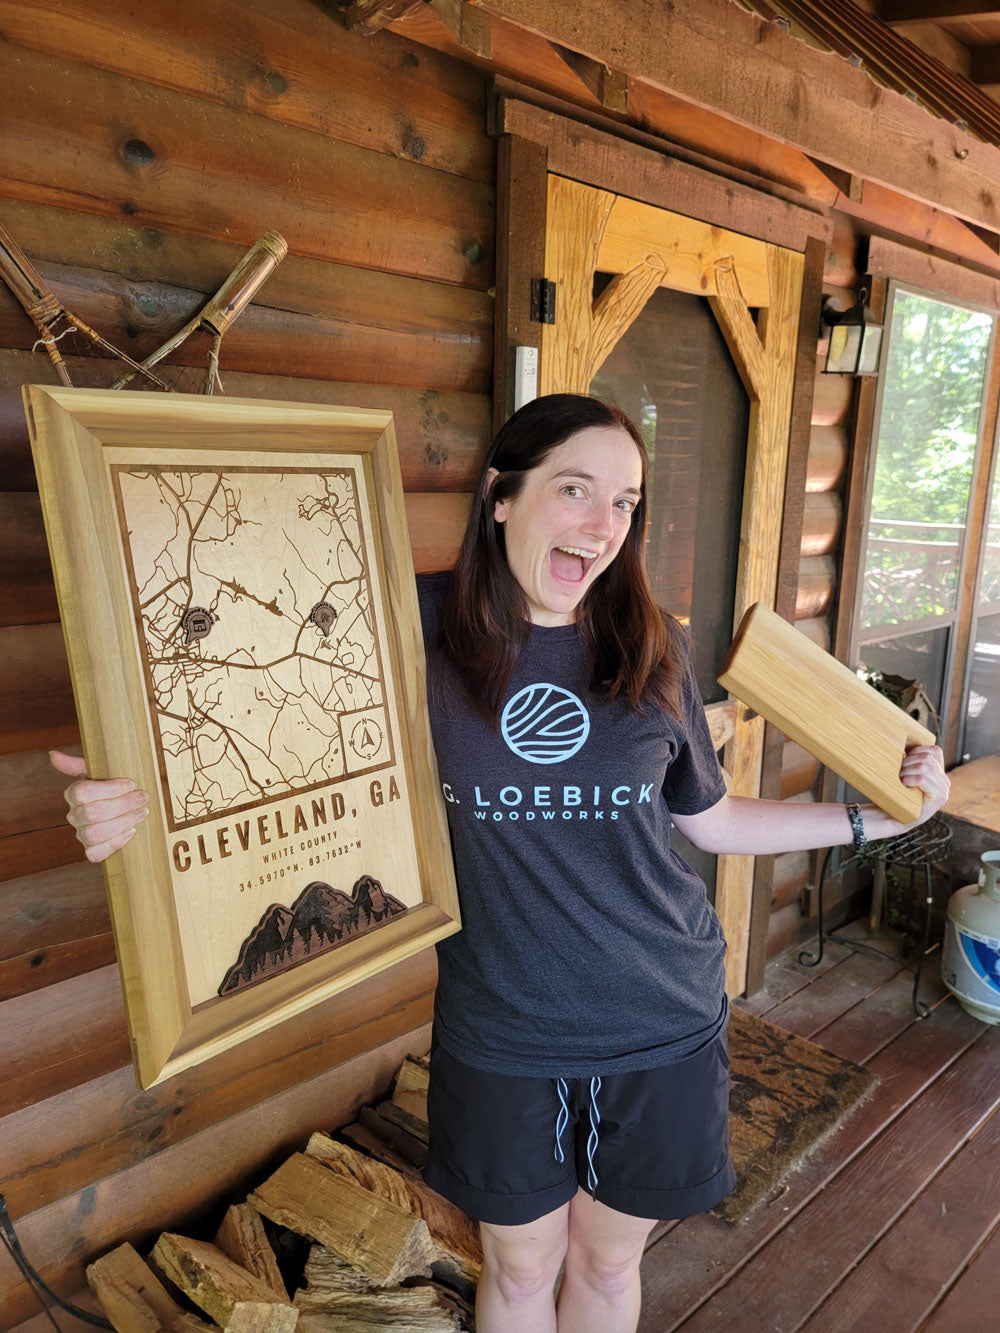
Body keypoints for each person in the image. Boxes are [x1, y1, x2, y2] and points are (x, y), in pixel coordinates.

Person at [52, 393, 950, 1333]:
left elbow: (712, 821)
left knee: (606, 1268)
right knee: (520, 1273)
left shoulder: (653, 643)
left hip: (664, 1017)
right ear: (500, 496)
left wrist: (868, 823)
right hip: (500, 1028)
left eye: (625, 503)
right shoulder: (405, 627)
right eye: (575, 490)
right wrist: (131, 805)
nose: (603, 527)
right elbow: (247, 732)